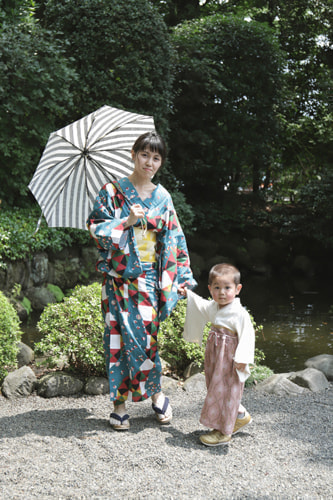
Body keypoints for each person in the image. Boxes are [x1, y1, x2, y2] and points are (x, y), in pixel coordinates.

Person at [87, 131, 196, 430]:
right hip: (119, 279)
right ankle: (119, 404)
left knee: (149, 340)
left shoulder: (163, 197)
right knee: (117, 341)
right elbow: (95, 228)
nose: (150, 162)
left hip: (150, 278)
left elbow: (175, 238)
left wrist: (182, 277)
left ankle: (156, 393)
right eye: (144, 155)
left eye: (156, 157)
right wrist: (126, 222)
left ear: (161, 162)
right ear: (133, 155)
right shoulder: (112, 191)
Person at [179, 263, 255, 446]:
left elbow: (248, 336)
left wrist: (243, 360)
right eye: (217, 288)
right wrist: (188, 294)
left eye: (227, 288)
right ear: (210, 289)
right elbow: (201, 305)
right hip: (215, 356)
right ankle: (239, 415)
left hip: (230, 359)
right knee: (217, 388)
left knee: (227, 390)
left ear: (238, 289)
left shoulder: (239, 314)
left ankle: (223, 432)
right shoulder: (214, 307)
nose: (222, 292)